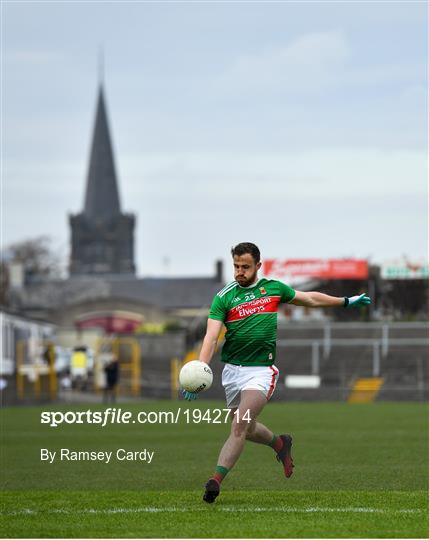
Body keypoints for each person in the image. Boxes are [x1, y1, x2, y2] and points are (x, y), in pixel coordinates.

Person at [183, 242, 371, 504]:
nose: (240, 271)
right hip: (232, 373)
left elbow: (310, 298)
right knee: (246, 429)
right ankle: (279, 444)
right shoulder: (224, 297)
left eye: (245, 267)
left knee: (238, 426)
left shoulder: (273, 288)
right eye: (236, 266)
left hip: (261, 372)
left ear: (258, 266)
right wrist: (200, 370)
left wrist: (345, 301)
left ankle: (215, 480)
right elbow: (211, 337)